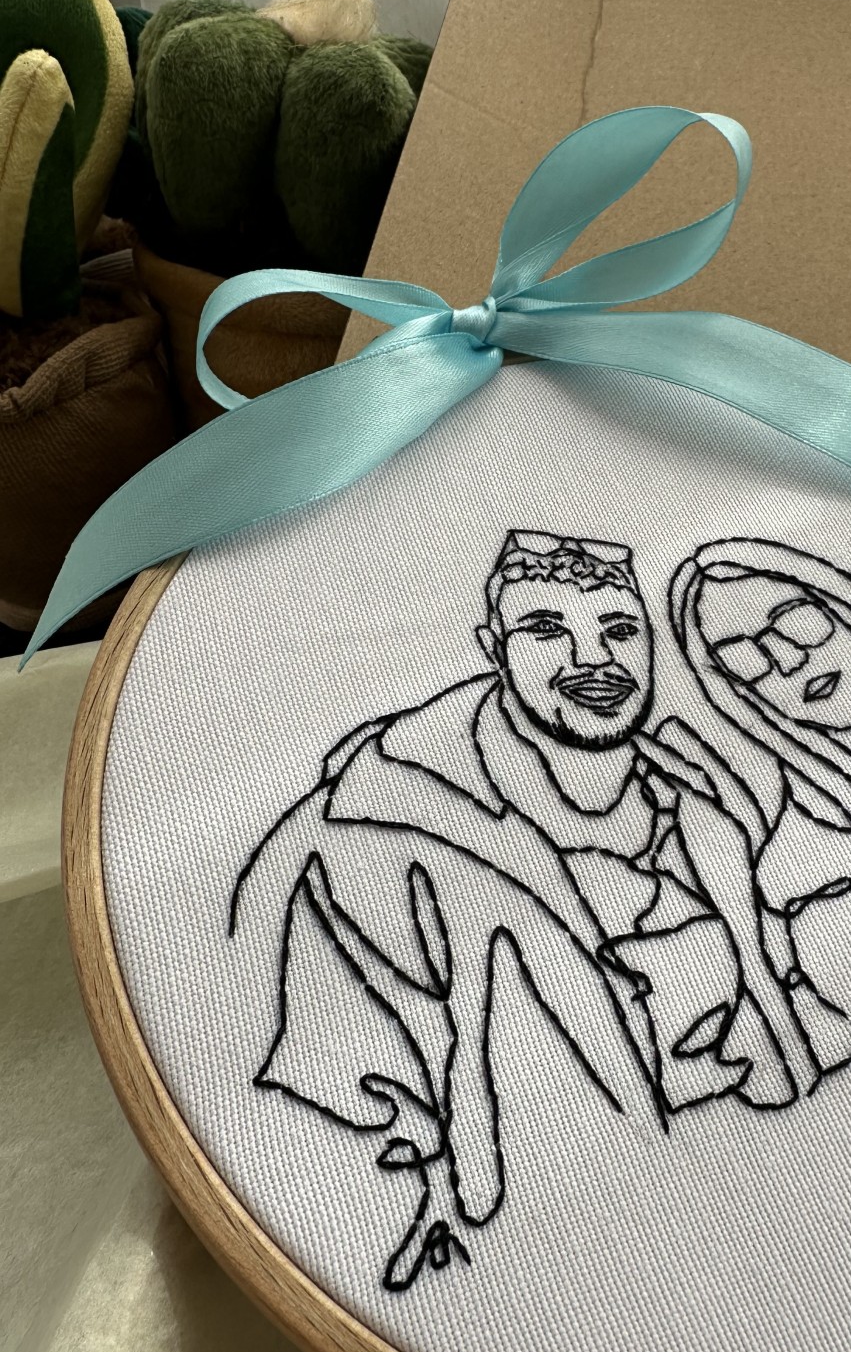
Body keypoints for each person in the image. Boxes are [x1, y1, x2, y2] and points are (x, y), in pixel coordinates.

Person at [230, 530, 817, 1286]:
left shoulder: (699, 788)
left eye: (619, 629)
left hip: (785, 1206)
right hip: (586, 1244)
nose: (593, 659)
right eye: (546, 629)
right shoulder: (400, 823)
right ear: (493, 648)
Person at [668, 538, 851, 1075]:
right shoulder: (794, 847)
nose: (786, 661)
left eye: (797, 621)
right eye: (744, 659)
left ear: (850, 609)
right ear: (739, 692)